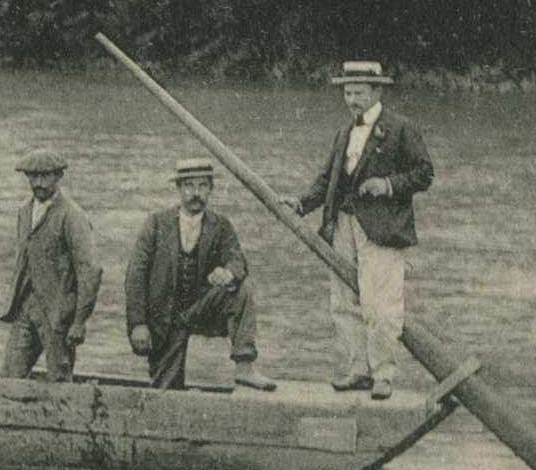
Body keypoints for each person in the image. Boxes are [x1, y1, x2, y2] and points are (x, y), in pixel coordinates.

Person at [292, 61, 435, 399]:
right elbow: (328, 180)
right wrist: (301, 204)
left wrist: (387, 185)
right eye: (347, 92)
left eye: (358, 92)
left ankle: (383, 374)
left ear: (377, 92)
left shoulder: (401, 128)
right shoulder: (344, 132)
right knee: (343, 302)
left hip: (383, 229)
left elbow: (424, 173)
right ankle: (358, 369)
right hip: (342, 224)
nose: (352, 99)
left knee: (380, 305)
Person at [126, 159, 280, 391]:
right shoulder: (156, 224)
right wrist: (138, 323)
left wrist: (228, 273)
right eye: (189, 186)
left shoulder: (220, 225)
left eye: (202, 186)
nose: (195, 193)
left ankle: (245, 366)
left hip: (202, 310)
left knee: (241, 290)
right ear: (179, 189)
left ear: (211, 189)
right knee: (165, 388)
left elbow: (238, 260)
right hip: (165, 318)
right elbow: (135, 275)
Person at [0, 147, 102, 381]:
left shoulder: (72, 216)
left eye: (45, 176)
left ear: (58, 176)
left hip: (58, 313)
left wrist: (79, 321)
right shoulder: (24, 211)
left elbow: (90, 271)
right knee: (8, 376)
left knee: (59, 378)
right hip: (26, 307)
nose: (38, 182)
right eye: (32, 176)